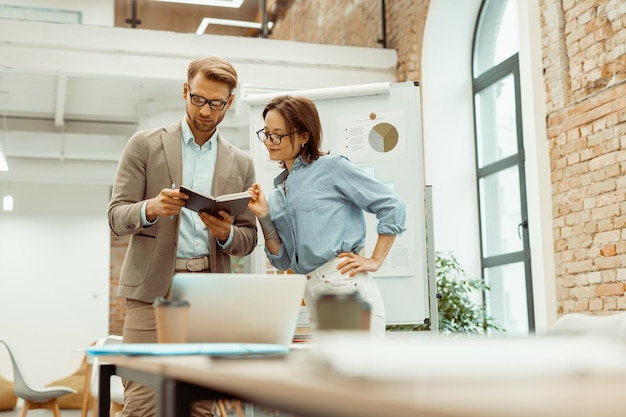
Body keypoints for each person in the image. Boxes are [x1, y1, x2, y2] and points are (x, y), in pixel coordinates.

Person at [108, 56, 257, 417]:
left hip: (210, 291)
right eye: (198, 99)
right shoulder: (144, 145)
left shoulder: (241, 163)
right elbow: (116, 216)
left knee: (199, 407)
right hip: (151, 291)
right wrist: (152, 208)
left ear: (230, 102)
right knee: (142, 404)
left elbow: (248, 238)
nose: (206, 111)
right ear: (185, 91)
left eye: (216, 103)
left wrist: (225, 235)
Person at [247, 95, 406, 337]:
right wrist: (264, 216)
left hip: (343, 288)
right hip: (315, 295)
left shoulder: (331, 167)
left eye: (278, 134)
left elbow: (392, 204)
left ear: (304, 136)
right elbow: (283, 261)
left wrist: (375, 260)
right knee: (334, 373)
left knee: (353, 373)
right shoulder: (279, 193)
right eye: (267, 133)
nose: (270, 141)